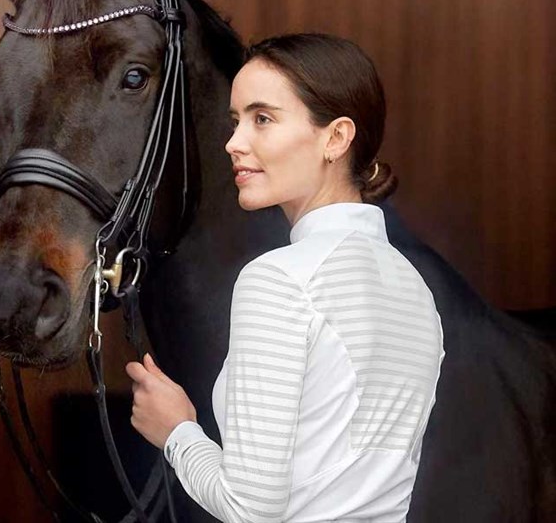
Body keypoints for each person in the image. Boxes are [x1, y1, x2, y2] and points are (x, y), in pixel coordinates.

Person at [126, 33, 444, 522]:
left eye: (263, 119)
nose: (234, 142)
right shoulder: (414, 289)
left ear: (336, 138)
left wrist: (177, 432)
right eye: (236, 121)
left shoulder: (278, 279)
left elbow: (251, 509)